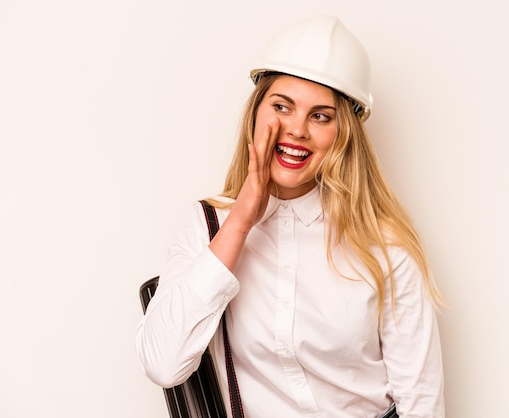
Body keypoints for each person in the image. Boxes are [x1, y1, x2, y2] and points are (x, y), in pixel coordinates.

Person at [136, 14, 445, 418]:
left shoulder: (385, 247)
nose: (297, 129)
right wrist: (242, 218)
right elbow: (162, 364)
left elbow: (421, 403)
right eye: (282, 106)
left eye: (320, 116)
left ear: (343, 133)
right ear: (256, 112)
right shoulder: (207, 225)